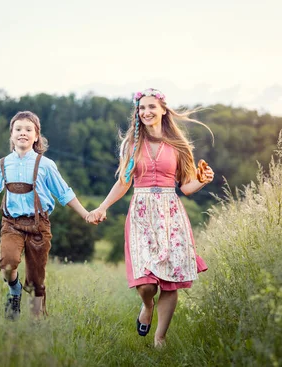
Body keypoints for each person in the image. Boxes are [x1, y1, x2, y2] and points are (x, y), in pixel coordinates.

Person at [87, 88, 215, 348]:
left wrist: (202, 181)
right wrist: (102, 207)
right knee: (146, 282)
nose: (146, 112)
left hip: (171, 214)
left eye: (151, 107)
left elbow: (186, 187)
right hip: (142, 214)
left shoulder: (179, 146)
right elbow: (124, 183)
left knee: (170, 283)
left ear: (163, 110)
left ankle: (160, 337)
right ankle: (147, 306)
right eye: (142, 108)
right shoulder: (132, 145)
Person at [0, 111, 93, 320]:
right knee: (8, 262)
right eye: (18, 129)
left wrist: (85, 214)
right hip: (11, 223)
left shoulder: (46, 165)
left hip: (39, 225)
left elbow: (64, 192)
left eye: (29, 129)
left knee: (36, 279)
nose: (23, 133)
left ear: (37, 136)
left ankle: (35, 320)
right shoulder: (3, 163)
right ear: (11, 135)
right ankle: (14, 291)